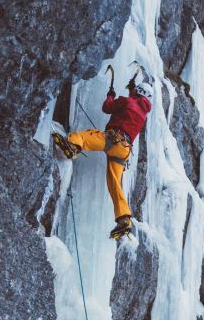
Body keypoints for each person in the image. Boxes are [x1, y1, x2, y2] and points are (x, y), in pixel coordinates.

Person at [53, 79, 153, 239]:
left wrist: (110, 95)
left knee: (85, 136)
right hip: (124, 151)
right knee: (115, 184)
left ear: (137, 92)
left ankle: (71, 146)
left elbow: (107, 107)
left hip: (113, 139)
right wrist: (131, 91)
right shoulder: (143, 114)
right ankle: (124, 219)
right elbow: (133, 104)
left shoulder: (126, 101)